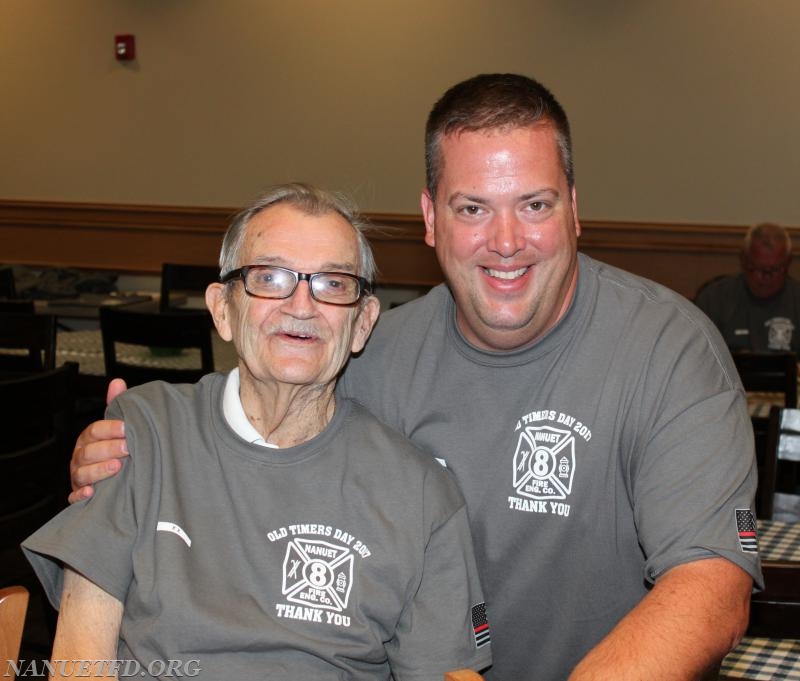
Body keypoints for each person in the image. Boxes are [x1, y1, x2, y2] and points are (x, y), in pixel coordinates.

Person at [68, 75, 761, 680]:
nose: (507, 240)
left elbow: (712, 585)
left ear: (575, 208)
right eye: (472, 208)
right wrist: (127, 460)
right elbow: (255, 459)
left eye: (535, 204)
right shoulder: (366, 354)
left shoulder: (668, 350)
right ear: (430, 219)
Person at [23, 183, 492, 680]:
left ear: (361, 324)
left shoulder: (420, 494)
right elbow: (79, 658)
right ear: (223, 309)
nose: (301, 305)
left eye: (333, 283)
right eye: (270, 277)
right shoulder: (143, 433)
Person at [695, 222, 800, 352]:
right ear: (744, 260)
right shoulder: (715, 300)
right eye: (758, 268)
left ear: (788, 262)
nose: (766, 277)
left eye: (775, 270)